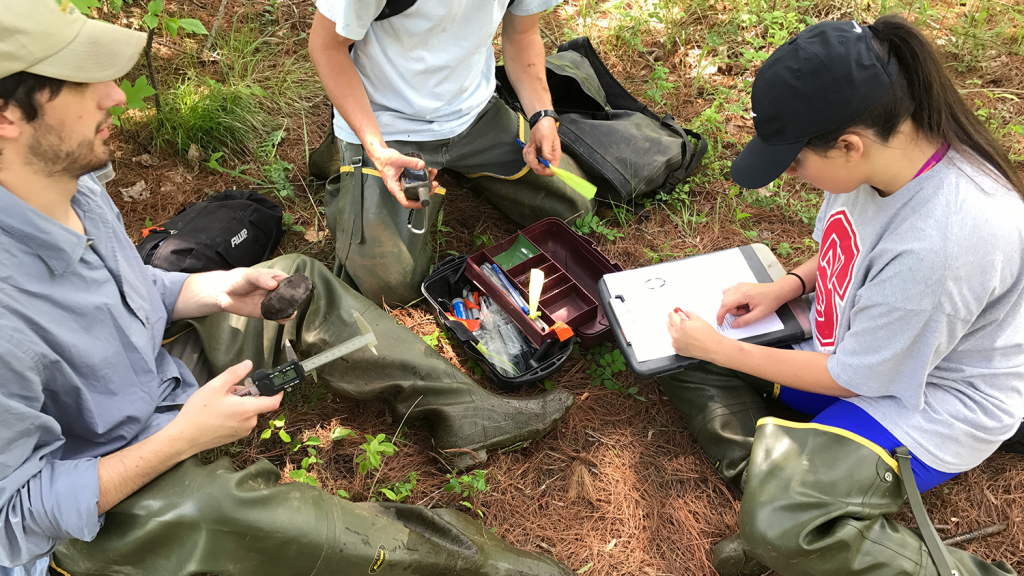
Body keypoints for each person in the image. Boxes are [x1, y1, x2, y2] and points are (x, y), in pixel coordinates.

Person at [0, 2, 578, 575]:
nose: (115, 95)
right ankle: (469, 563)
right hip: (86, 504)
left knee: (298, 278)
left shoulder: (62, 181)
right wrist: (181, 440)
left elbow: (123, 288)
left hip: (145, 383)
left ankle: (465, 412)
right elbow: (13, 519)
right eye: (79, 82)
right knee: (214, 507)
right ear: (7, 116)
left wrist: (219, 290)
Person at [656, 17, 1024, 576]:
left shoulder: (945, 242)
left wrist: (724, 352)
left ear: (848, 145)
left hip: (927, 399)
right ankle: (779, 484)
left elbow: (857, 377)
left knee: (784, 526)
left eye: (796, 160)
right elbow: (848, 252)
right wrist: (789, 285)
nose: (792, 174)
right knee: (672, 352)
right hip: (856, 350)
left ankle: (792, 511)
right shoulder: (882, 163)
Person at [307, 0, 596, 307]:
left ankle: (463, 161)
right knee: (389, 288)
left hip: (475, 113)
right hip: (386, 124)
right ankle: (346, 158)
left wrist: (542, 115)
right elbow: (326, 47)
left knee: (577, 210)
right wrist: (376, 149)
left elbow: (522, 35)